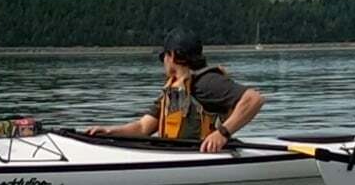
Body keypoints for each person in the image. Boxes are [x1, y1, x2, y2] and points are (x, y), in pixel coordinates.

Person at [85, 29, 263, 153]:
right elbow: (142, 128)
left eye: (164, 56)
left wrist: (222, 134)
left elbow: (254, 99)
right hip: (176, 152)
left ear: (172, 56)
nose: (163, 61)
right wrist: (109, 132)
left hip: (205, 157)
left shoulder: (206, 83)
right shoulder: (177, 89)